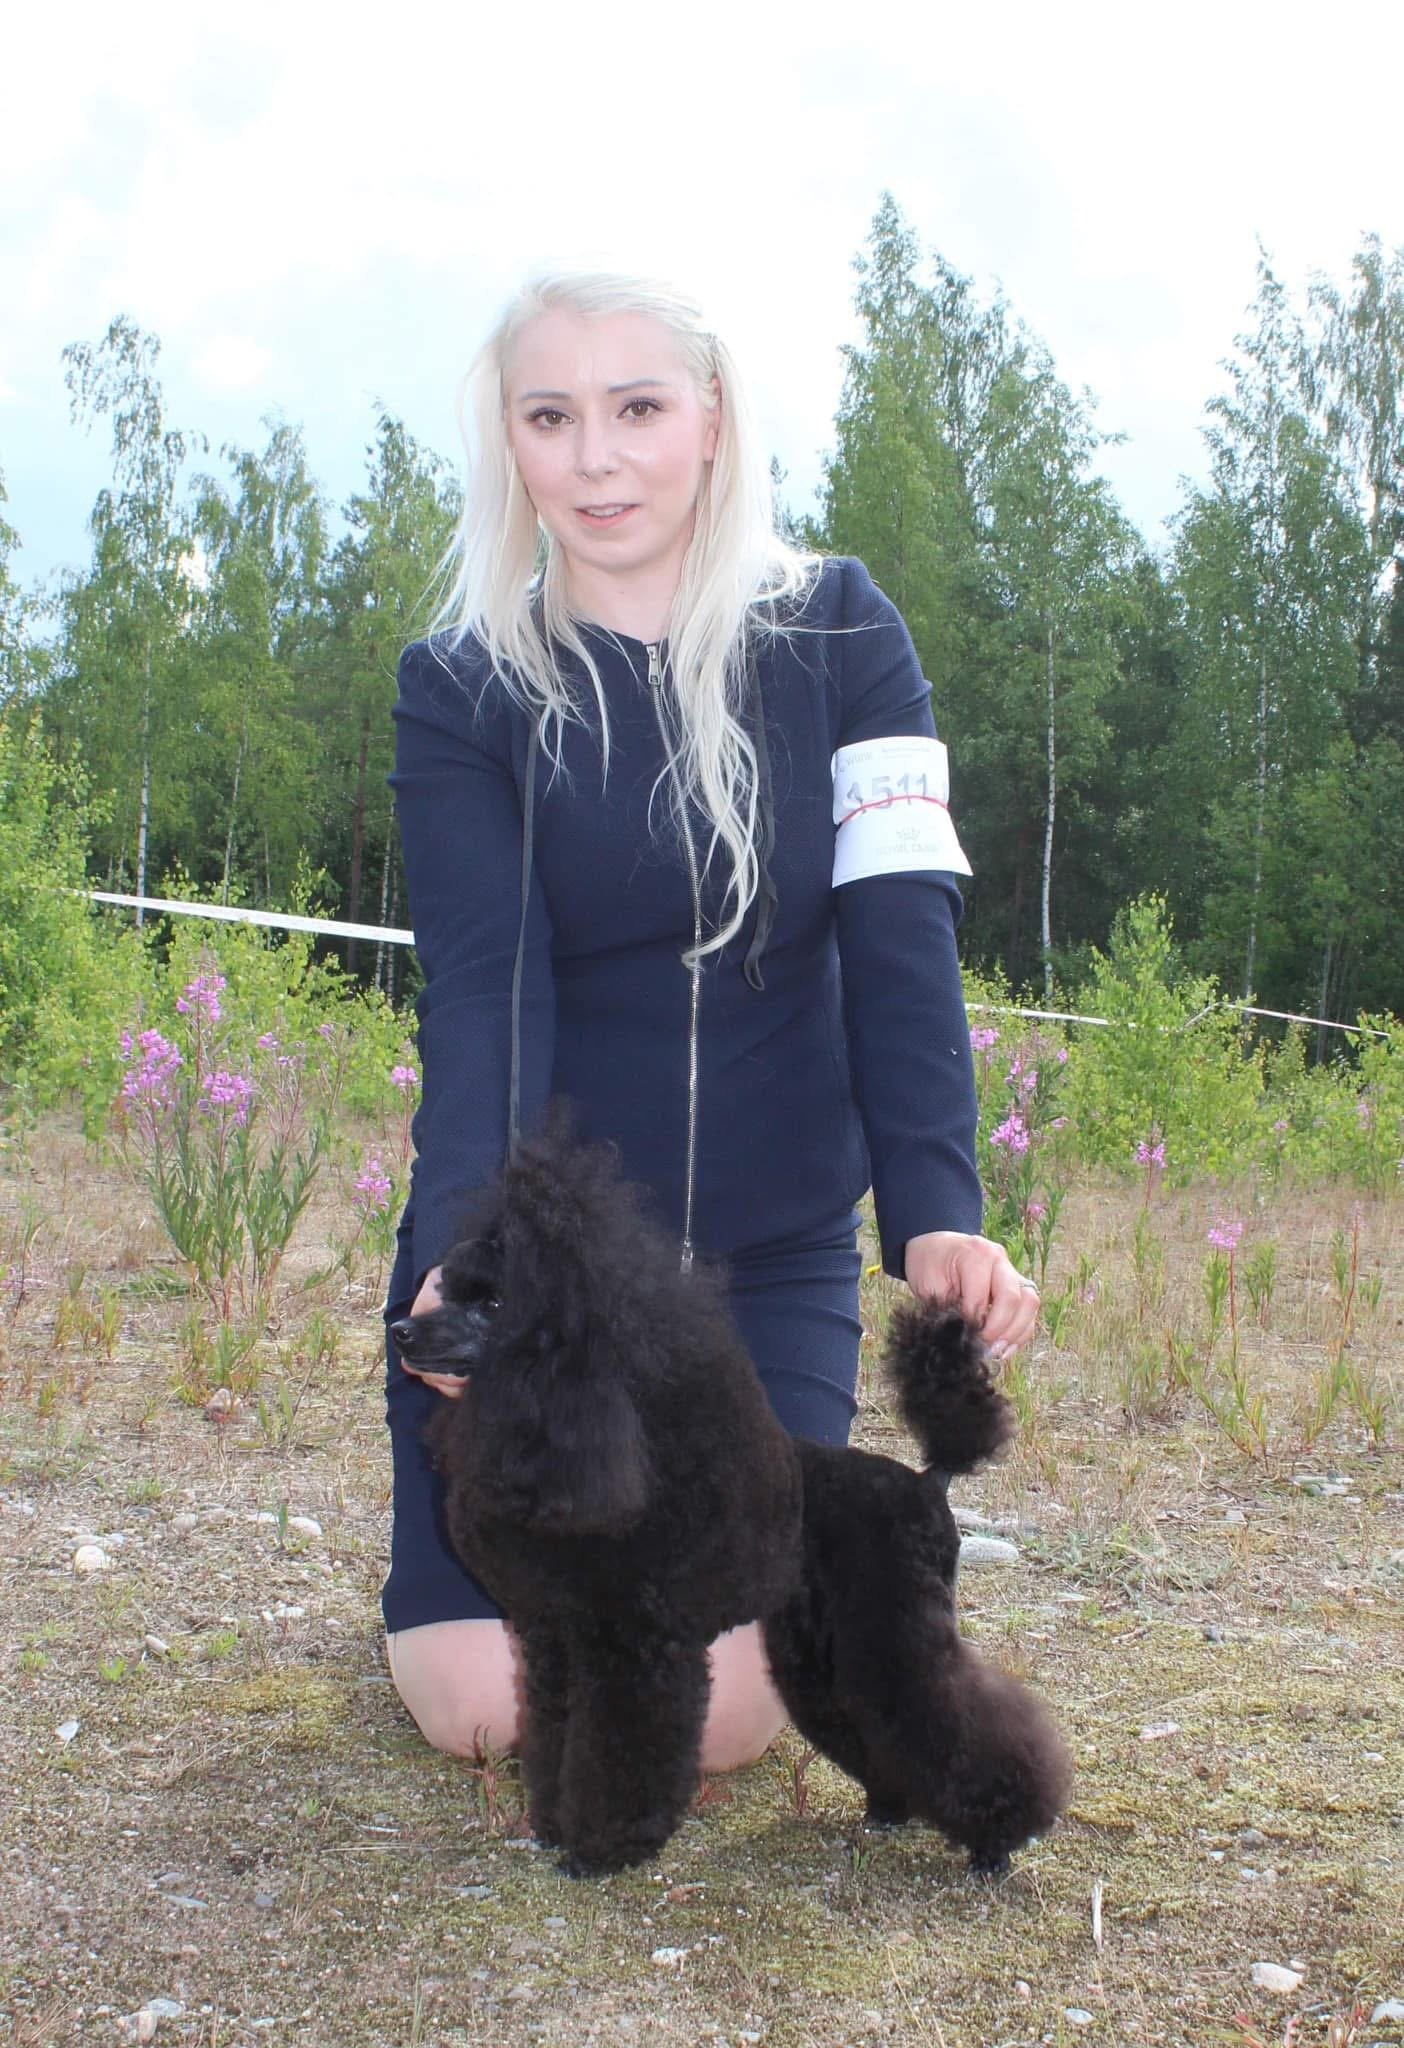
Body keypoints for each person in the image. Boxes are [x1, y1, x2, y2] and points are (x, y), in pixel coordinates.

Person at [382, 267, 1040, 1774]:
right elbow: (488, 994)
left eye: (637, 409)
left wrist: (939, 1210)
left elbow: (900, 937)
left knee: (724, 1719)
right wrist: (466, 1269)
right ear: (511, 438)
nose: (596, 459)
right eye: (552, 416)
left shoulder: (844, 632)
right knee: (498, 1714)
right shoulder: (462, 684)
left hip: (771, 1263)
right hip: (550, 1288)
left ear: (713, 421)